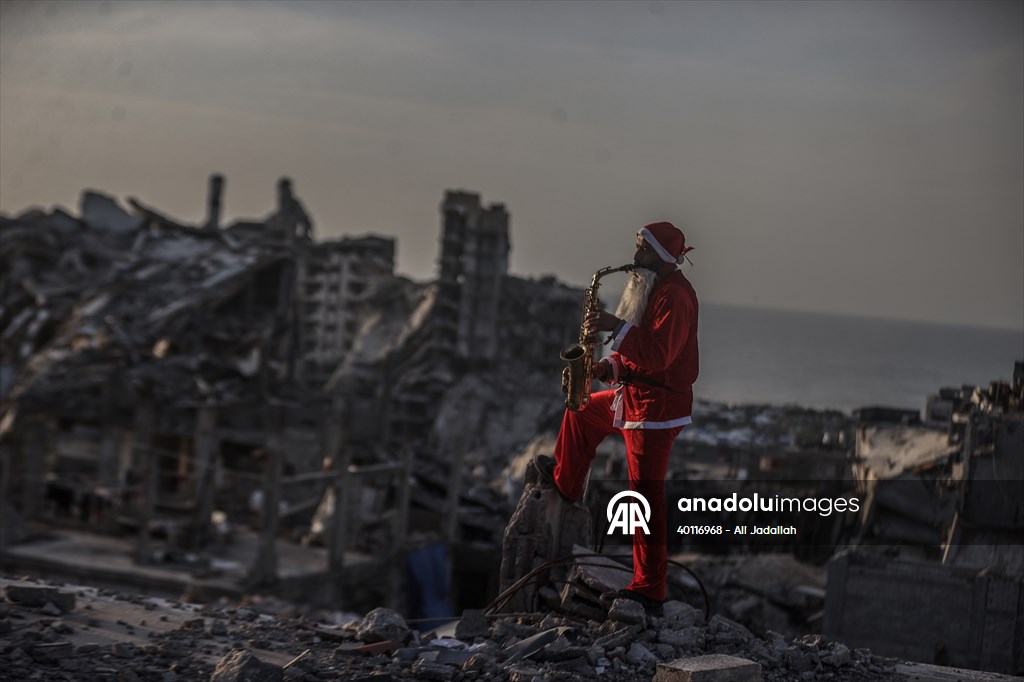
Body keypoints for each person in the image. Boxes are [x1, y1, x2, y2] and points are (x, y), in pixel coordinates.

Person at [535, 221, 699, 614]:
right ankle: (565, 485)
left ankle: (649, 589)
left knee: (644, 498)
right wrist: (609, 368)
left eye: (642, 248)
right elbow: (637, 354)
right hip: (634, 396)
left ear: (660, 257)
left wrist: (615, 326)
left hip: (656, 410)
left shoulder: (675, 295)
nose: (634, 255)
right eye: (637, 246)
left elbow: (659, 356)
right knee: (582, 413)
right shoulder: (650, 285)